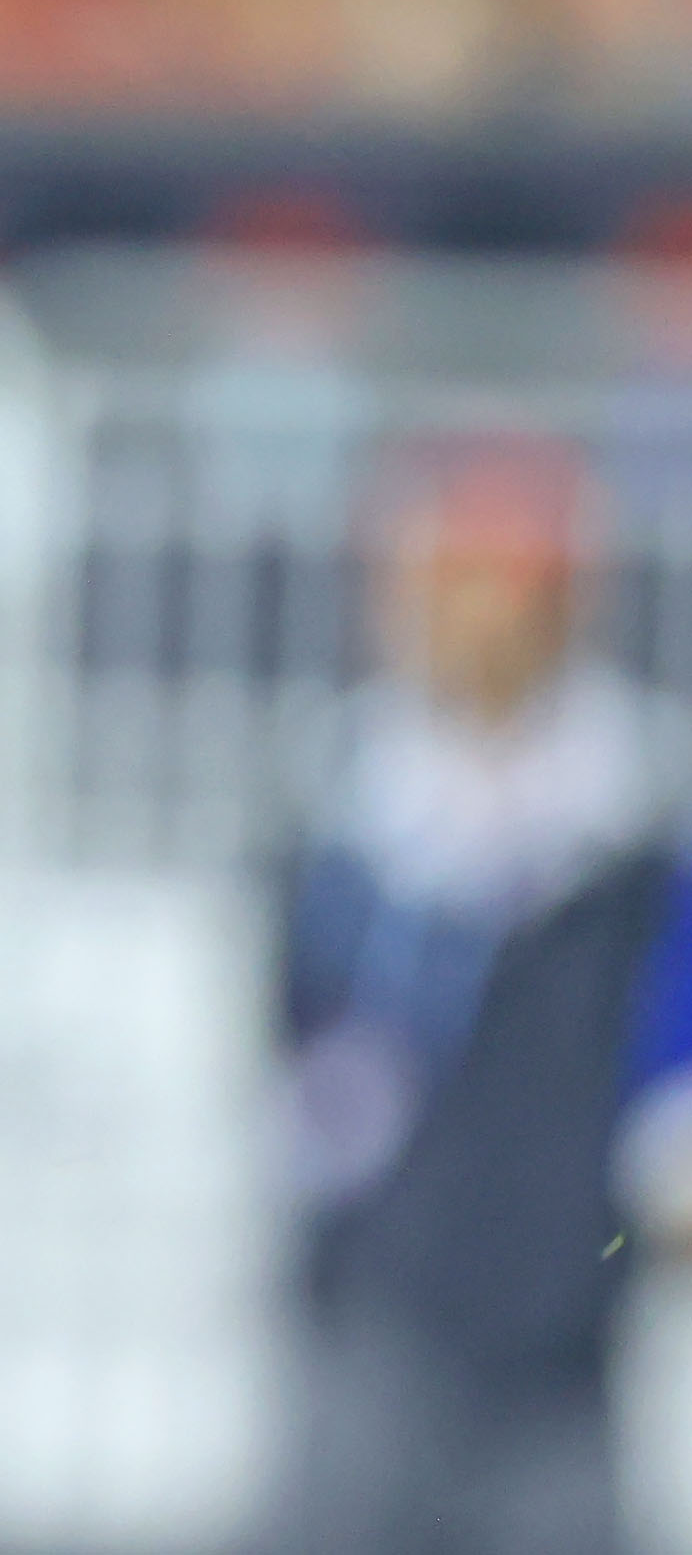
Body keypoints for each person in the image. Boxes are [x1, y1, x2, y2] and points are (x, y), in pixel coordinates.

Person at [263, 435, 675, 1555]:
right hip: (377, 1321)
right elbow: (293, 1044)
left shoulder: (627, 832)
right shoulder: (346, 818)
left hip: (554, 1345)